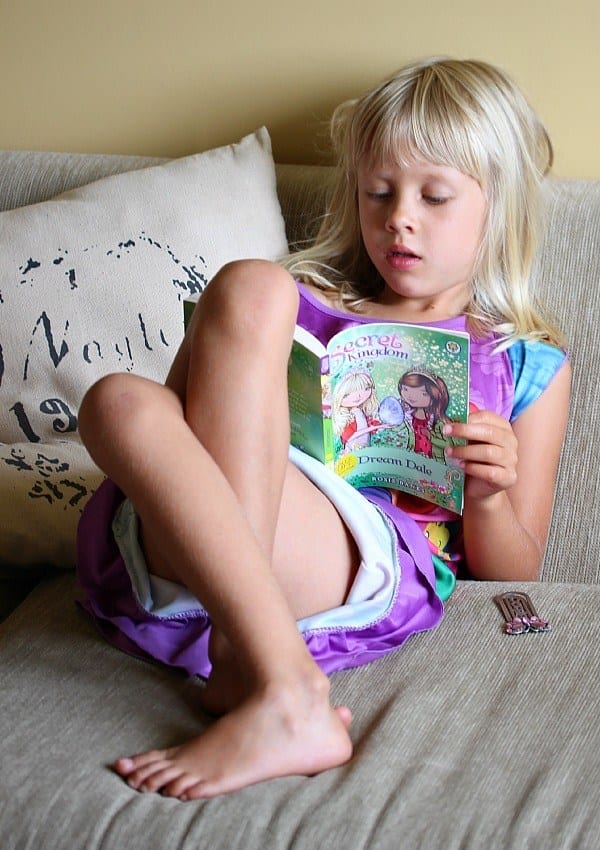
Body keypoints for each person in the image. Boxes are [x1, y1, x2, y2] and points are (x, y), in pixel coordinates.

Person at [76, 56, 571, 801]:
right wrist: (232, 337)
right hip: (204, 530)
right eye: (378, 192)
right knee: (121, 397)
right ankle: (261, 667)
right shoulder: (303, 295)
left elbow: (516, 574)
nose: (399, 216)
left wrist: (491, 497)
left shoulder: (525, 361)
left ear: (498, 207)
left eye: (435, 196)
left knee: (246, 293)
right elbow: (177, 432)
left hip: (349, 554)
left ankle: (279, 687)